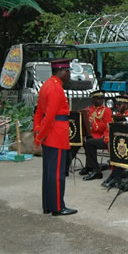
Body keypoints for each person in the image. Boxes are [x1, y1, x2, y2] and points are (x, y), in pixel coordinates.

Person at [33, 59, 77, 216]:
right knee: (57, 174)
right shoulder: (56, 88)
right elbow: (49, 116)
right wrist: (39, 138)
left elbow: (38, 113)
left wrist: (38, 133)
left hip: (49, 135)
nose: (69, 74)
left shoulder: (46, 85)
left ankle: (48, 205)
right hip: (56, 135)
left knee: (49, 172)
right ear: (62, 71)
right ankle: (58, 207)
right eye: (68, 72)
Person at [81, 90, 113, 181]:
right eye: (98, 98)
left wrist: (94, 126)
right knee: (78, 141)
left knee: (89, 142)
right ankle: (88, 167)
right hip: (89, 135)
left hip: (101, 136)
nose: (100, 100)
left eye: (102, 98)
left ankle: (96, 170)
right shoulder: (88, 110)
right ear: (93, 99)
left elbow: (108, 126)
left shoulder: (106, 110)